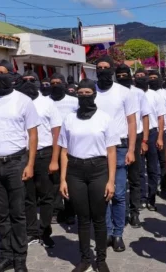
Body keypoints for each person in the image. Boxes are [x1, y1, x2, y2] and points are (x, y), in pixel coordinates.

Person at [0, 59, 41, 272]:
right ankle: (6, 256)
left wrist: (30, 163)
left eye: (3, 72)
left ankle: (20, 258)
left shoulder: (23, 101)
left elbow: (33, 135)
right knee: (2, 214)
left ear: (12, 75)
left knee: (18, 213)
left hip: (16, 163)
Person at [59, 79, 119, 272]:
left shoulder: (104, 118)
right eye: (81, 93)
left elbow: (111, 152)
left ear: (94, 94)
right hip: (75, 171)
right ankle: (85, 259)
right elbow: (63, 151)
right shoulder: (69, 118)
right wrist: (62, 179)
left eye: (88, 93)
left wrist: (111, 181)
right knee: (83, 218)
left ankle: (100, 260)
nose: (84, 96)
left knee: (99, 218)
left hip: (98, 170)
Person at [94, 55, 137, 252]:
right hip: (96, 150)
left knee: (119, 193)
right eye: (99, 67)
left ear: (111, 70)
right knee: (102, 194)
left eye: (106, 67)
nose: (102, 70)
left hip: (119, 148)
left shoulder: (124, 92)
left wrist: (131, 150)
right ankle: (108, 232)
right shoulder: (89, 91)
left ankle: (118, 233)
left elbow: (131, 122)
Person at [18, 71, 61, 248]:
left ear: (38, 83)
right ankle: (31, 232)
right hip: (24, 155)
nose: (29, 83)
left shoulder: (48, 103)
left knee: (46, 196)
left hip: (44, 154)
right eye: (25, 80)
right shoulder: (17, 103)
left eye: (32, 80)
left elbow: (57, 132)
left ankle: (44, 231)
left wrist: (55, 159)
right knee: (27, 196)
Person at [116, 65, 151, 227]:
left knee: (135, 177)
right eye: (119, 75)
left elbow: (145, 117)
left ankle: (134, 211)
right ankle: (120, 214)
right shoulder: (113, 92)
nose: (122, 77)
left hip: (135, 138)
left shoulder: (138, 93)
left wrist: (144, 140)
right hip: (117, 139)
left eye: (125, 74)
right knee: (119, 180)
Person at [133, 69, 165, 211]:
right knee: (139, 169)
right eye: (137, 76)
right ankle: (141, 198)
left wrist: (159, 137)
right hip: (138, 135)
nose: (140, 78)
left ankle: (151, 199)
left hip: (152, 134)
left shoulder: (155, 96)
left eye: (142, 76)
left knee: (152, 168)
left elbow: (161, 118)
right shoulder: (132, 95)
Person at [49, 73, 78, 225]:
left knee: (69, 180)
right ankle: (56, 211)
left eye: (58, 82)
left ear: (64, 84)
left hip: (70, 146)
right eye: (52, 83)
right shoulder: (45, 101)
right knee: (55, 181)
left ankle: (70, 211)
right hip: (52, 146)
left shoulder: (74, 101)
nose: (55, 85)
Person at [149, 71, 166, 200]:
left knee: (164, 161)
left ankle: (164, 187)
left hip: (165, 131)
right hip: (151, 131)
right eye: (150, 77)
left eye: (154, 77)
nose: (152, 80)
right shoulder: (145, 94)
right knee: (152, 162)